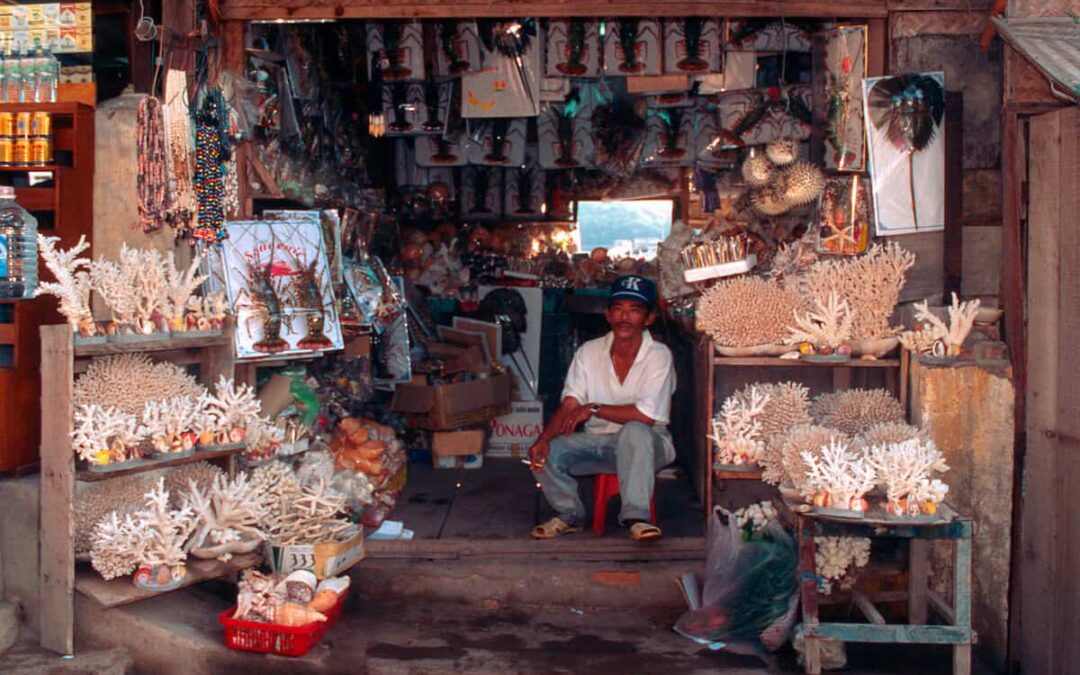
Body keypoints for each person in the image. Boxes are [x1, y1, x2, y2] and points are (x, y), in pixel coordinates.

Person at [528, 275, 676, 542]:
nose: (624, 317)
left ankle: (637, 518)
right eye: (618, 308)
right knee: (547, 452)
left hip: (650, 447)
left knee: (634, 430)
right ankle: (569, 515)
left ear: (649, 318)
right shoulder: (589, 352)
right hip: (600, 444)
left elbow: (646, 417)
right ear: (607, 314)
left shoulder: (659, 355)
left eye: (634, 310)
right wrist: (544, 439)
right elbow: (570, 404)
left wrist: (594, 408)